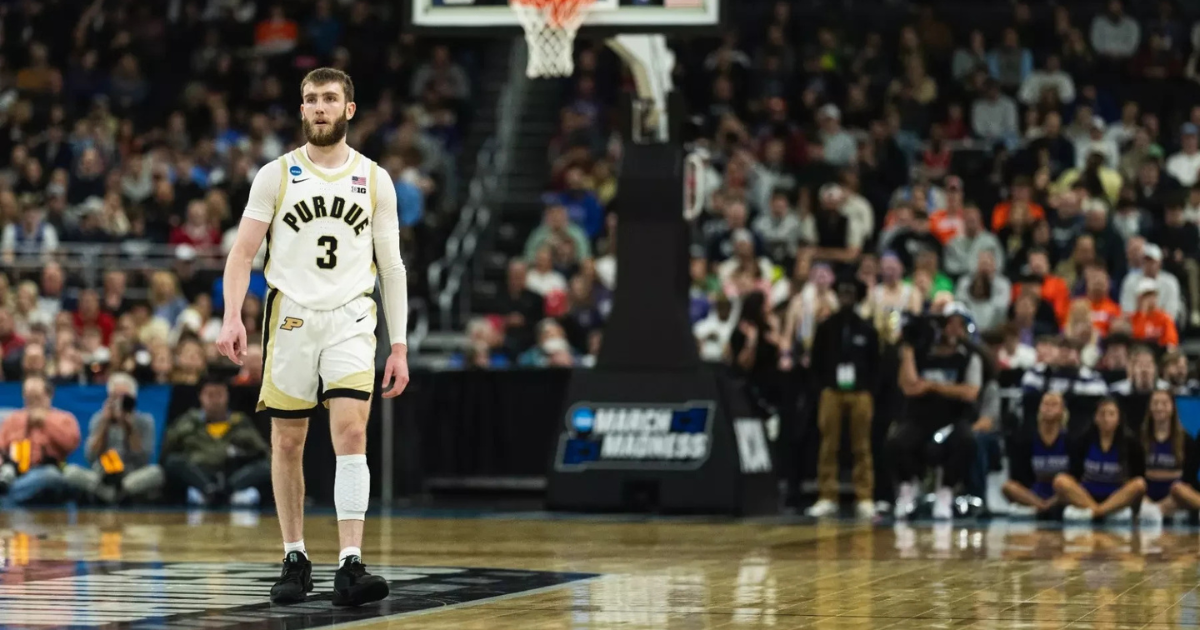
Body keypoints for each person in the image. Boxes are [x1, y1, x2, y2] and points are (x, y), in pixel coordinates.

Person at [217, 68, 408, 607]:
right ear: (302, 109)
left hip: (352, 317)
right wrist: (232, 316)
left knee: (351, 432)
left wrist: (399, 344)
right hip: (292, 317)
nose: (319, 107)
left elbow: (392, 268)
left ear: (349, 108)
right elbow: (241, 254)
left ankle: (351, 563)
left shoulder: (375, 178)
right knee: (287, 441)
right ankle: (295, 557)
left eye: (329, 98)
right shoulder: (275, 175)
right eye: (310, 99)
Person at [891, 304, 983, 520]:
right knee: (896, 441)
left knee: (966, 440)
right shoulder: (921, 352)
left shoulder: (969, 356)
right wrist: (908, 349)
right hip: (921, 417)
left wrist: (932, 386)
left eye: (958, 325)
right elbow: (909, 387)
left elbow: (970, 392)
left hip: (953, 417)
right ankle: (908, 488)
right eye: (948, 324)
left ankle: (946, 491)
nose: (952, 329)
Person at [806, 277, 879, 520]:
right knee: (828, 445)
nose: (846, 296)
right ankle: (827, 495)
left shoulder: (867, 329)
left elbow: (876, 362)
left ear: (857, 296)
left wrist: (868, 388)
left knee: (862, 445)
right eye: (843, 291)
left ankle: (864, 497)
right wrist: (823, 386)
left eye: (850, 291)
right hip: (832, 391)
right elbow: (815, 361)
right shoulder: (826, 327)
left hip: (860, 392)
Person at [161, 377, 270, 505]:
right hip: (200, 472)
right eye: (210, 395)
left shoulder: (240, 422)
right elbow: (167, 448)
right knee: (173, 461)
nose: (215, 400)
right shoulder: (188, 421)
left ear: (227, 397)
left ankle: (227, 490)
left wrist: (244, 440)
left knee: (267, 466)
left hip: (233, 473)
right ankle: (209, 490)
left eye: (219, 395)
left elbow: (263, 450)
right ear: (201, 397)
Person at [62, 372, 164, 504]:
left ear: (132, 399)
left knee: (156, 472)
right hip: (101, 474)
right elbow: (90, 456)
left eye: (124, 398)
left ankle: (117, 492)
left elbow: (143, 459)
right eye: (115, 397)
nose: (119, 403)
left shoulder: (144, 421)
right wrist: (104, 424)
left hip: (131, 475)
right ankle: (111, 494)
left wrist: (130, 428)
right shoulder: (99, 419)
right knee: (70, 471)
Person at [1054, 398, 1145, 522]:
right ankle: (1098, 510)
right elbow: (1073, 474)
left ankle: (1097, 512)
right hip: (1086, 495)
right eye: (1102, 414)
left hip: (1116, 497)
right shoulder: (1083, 440)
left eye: (1111, 414)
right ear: (1095, 418)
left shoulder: (1131, 443)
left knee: (1139, 484)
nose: (1106, 419)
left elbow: (1136, 476)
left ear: (1119, 419)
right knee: (1060, 480)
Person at [0, 375, 80, 507]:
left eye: (36, 397)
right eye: (28, 398)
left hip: (47, 471)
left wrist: (45, 421)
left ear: (49, 396)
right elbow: (1, 447)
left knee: (51, 476)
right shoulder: (12, 420)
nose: (32, 403)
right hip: (14, 473)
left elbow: (70, 444)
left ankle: (7, 498)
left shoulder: (64, 418)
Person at [1003, 391, 1070, 517]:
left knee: (1065, 483)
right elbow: (1020, 476)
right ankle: (1042, 507)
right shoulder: (1027, 440)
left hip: (1061, 494)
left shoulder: (1070, 440)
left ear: (1062, 410)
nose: (1049, 408)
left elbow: (1076, 476)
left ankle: (1044, 507)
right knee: (1008, 487)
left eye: (1054, 404)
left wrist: (1056, 499)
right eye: (1046, 404)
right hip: (1035, 493)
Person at [1138, 390, 1200, 524]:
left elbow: (1189, 477)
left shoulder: (1186, 440)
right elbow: (1136, 474)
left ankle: (1156, 511)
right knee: (1136, 486)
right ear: (1149, 408)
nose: (1159, 407)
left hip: (1176, 498)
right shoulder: (1141, 438)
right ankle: (1155, 511)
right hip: (1147, 497)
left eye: (1164, 403)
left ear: (1173, 408)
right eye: (1155, 403)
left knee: (1179, 489)